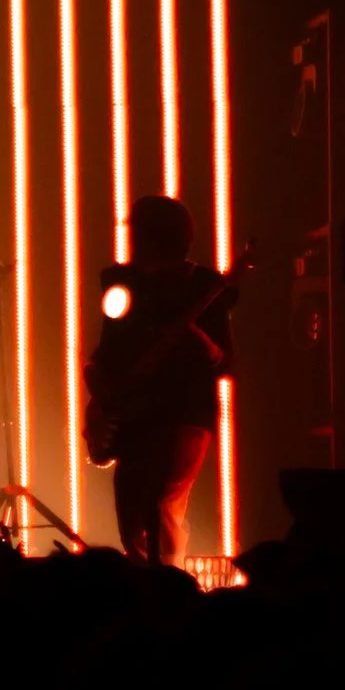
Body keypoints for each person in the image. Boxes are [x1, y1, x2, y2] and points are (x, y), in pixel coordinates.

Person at [84, 195, 239, 565]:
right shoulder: (122, 284)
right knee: (134, 521)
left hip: (180, 415)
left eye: (135, 227)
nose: (130, 235)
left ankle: (168, 592)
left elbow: (225, 363)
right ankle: (158, 589)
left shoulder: (202, 286)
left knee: (158, 508)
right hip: (133, 417)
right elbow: (104, 354)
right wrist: (100, 396)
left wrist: (195, 340)